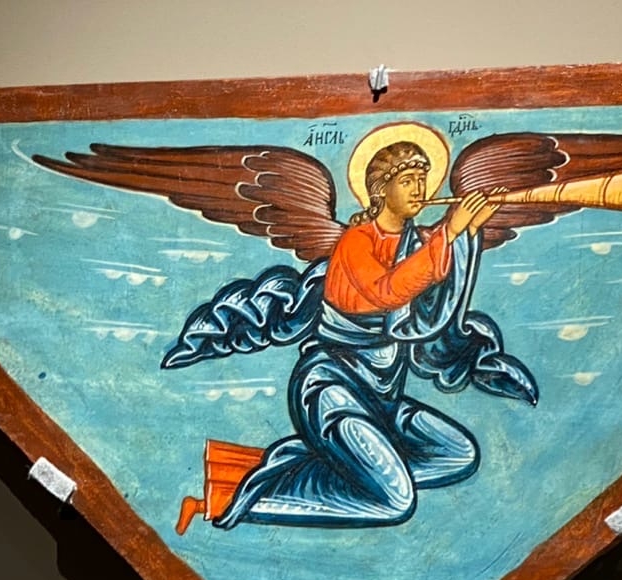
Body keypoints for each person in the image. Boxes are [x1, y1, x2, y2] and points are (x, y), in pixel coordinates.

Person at [182, 141, 524, 531]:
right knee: (396, 502)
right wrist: (451, 231)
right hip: (332, 393)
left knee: (458, 455)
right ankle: (231, 499)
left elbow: (430, 307)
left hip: (382, 401)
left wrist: (467, 233)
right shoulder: (356, 242)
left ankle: (344, 465)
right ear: (380, 190)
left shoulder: (415, 244)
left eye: (423, 179)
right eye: (407, 181)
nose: (419, 189)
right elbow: (387, 291)